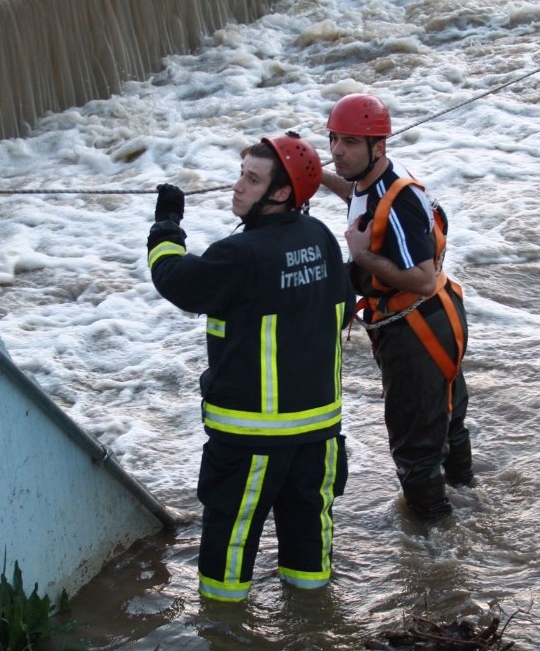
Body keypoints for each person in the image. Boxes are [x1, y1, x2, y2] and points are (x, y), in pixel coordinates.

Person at [146, 132, 354, 602]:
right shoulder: (320, 237)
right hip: (319, 433)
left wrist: (166, 226)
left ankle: (223, 629)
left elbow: (174, 280)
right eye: (241, 174)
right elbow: (343, 304)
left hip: (251, 439)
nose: (237, 187)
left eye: (252, 179)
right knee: (309, 550)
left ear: (281, 193)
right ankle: (313, 627)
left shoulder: (238, 255)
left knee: (229, 552)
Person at [321, 93, 473, 523]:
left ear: (378, 146)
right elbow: (355, 195)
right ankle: (468, 504)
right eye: (333, 139)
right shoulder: (381, 176)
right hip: (439, 319)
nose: (337, 151)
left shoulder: (399, 201)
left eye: (350, 142)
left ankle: (434, 552)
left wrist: (363, 257)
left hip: (416, 330)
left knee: (414, 451)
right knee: (448, 425)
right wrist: (316, 177)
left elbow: (422, 278)